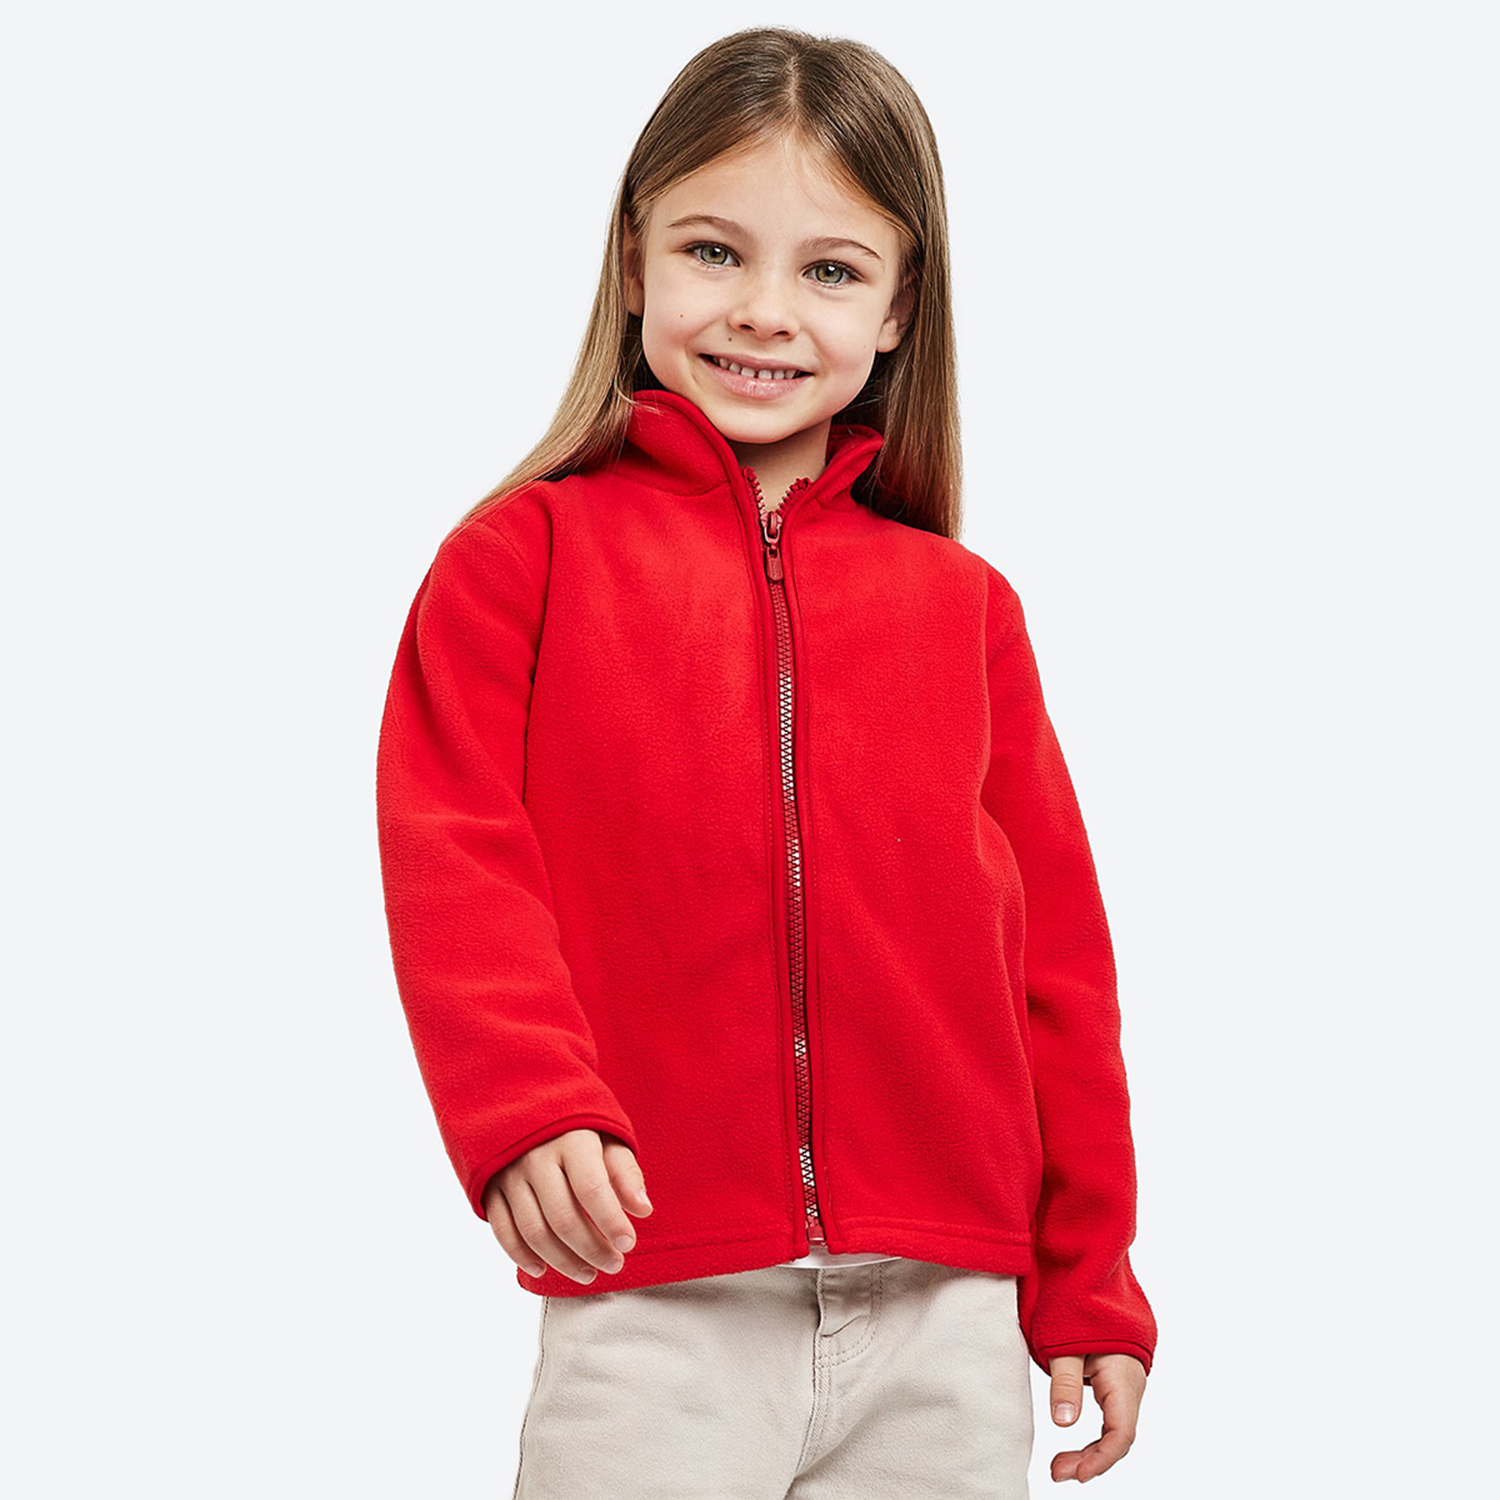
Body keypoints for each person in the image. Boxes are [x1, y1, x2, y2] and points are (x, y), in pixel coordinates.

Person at [375, 25, 1157, 1497]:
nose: (765, 311)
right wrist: (527, 1108)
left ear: (903, 305)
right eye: (713, 251)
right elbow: (454, 856)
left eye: (832, 270)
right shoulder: (520, 561)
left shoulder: (965, 609)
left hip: (948, 1314)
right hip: (654, 1291)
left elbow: (1057, 960)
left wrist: (1090, 1275)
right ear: (633, 261)